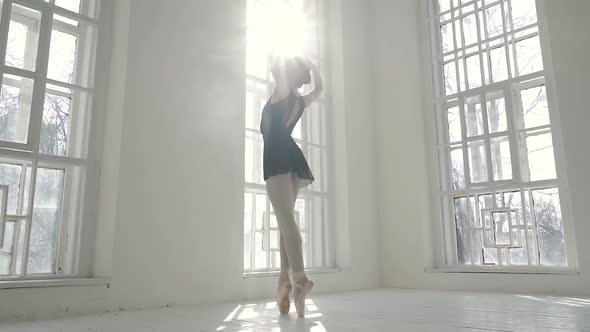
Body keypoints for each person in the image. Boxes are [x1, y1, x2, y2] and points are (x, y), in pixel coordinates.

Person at [259, 56, 323, 317]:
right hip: (293, 158)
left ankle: (299, 279)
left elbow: (276, 61)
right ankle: (285, 286)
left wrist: (294, 59)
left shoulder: (282, 91)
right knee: (287, 224)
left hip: (276, 157)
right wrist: (315, 67)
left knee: (286, 220)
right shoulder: (299, 101)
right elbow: (318, 90)